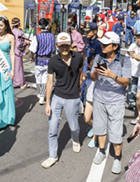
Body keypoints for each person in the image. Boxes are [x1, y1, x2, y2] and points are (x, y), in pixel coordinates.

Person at [91, 32, 131, 174]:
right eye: (101, 43)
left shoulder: (124, 60)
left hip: (116, 100)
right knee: (100, 127)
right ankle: (101, 151)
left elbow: (126, 81)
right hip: (99, 98)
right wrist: (95, 72)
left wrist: (111, 75)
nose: (102, 46)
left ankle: (117, 158)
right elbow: (93, 78)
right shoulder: (98, 57)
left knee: (116, 131)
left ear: (115, 46)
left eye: (105, 44)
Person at [42, 32, 84, 169]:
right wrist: (48, 103)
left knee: (74, 126)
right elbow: (49, 82)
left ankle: (75, 139)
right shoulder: (53, 61)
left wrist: (79, 91)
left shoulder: (78, 57)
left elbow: (81, 73)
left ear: (71, 45)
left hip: (72, 97)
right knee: (52, 129)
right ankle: (53, 156)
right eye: (61, 46)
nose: (64, 49)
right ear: (57, 46)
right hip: (57, 96)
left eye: (67, 45)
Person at [29, 18, 56, 105]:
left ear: (39, 26)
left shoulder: (36, 37)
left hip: (39, 60)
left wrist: (31, 57)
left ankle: (41, 95)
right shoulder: (52, 36)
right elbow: (55, 49)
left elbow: (33, 50)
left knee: (38, 78)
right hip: (49, 60)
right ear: (48, 26)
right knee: (45, 78)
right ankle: (42, 96)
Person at [126, 32, 140, 111]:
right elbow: (127, 57)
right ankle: (132, 102)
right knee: (132, 88)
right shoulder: (132, 45)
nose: (139, 40)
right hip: (133, 71)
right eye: (137, 38)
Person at [82, 56, 98, 148]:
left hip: (98, 101)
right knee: (86, 119)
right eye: (92, 65)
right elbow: (81, 86)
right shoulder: (86, 74)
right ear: (88, 65)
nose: (95, 67)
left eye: (96, 65)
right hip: (88, 100)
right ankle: (95, 127)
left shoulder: (101, 75)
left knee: (97, 119)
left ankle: (94, 139)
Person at [11, 17, 28, 89]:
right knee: (18, 68)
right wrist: (25, 43)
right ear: (18, 24)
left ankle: (12, 82)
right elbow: (19, 44)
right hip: (17, 52)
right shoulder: (19, 32)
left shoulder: (10, 32)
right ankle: (20, 83)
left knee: (12, 67)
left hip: (10, 52)